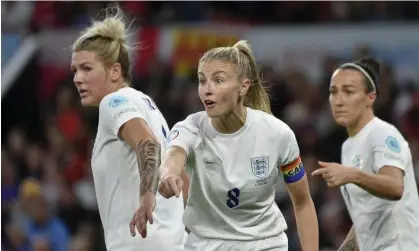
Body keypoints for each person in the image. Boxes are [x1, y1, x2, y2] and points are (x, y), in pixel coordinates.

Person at [157, 40, 319, 251]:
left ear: (243, 86)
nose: (207, 89)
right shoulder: (190, 128)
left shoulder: (277, 134)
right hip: (206, 245)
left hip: (265, 245)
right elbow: (173, 156)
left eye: (218, 80)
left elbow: (303, 202)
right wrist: (168, 174)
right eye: (202, 81)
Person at [70, 6, 186, 251]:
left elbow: (148, 144)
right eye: (75, 70)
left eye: (87, 68)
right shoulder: (149, 107)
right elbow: (182, 175)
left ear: (115, 71)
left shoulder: (114, 102)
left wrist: (147, 198)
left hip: (139, 242)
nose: (77, 78)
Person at [312, 58, 419, 251]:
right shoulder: (349, 147)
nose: (339, 100)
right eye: (333, 92)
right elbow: (368, 214)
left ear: (370, 97)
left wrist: (352, 175)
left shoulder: (382, 134)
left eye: (349, 92)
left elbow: (395, 187)